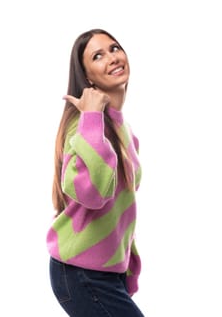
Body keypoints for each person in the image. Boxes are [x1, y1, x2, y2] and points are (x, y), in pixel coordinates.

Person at [46, 28, 145, 317]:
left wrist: (126, 259)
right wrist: (91, 116)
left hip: (105, 273)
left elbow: (121, 201)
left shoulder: (122, 128)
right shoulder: (84, 126)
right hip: (80, 273)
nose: (112, 58)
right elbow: (95, 193)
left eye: (114, 48)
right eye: (98, 56)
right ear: (87, 77)